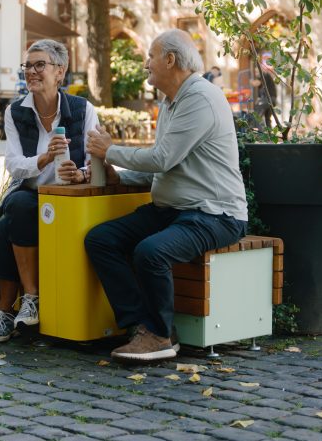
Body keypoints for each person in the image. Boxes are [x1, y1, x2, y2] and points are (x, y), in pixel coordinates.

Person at [83, 29, 247, 361]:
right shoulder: (170, 102)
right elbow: (160, 166)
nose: (146, 63)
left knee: (150, 252)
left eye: (150, 56)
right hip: (173, 210)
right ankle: (140, 326)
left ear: (170, 60)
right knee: (101, 239)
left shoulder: (200, 98)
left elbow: (162, 158)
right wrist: (120, 176)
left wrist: (111, 150)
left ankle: (159, 335)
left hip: (216, 214)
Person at [0, 39, 100, 342]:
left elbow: (97, 163)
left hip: (69, 199)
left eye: (39, 65)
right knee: (19, 205)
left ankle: (7, 312)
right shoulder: (16, 112)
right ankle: (30, 298)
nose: (31, 71)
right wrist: (43, 159)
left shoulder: (83, 110)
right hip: (31, 193)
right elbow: (14, 164)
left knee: (7, 224)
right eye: (27, 66)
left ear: (60, 71)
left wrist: (81, 174)